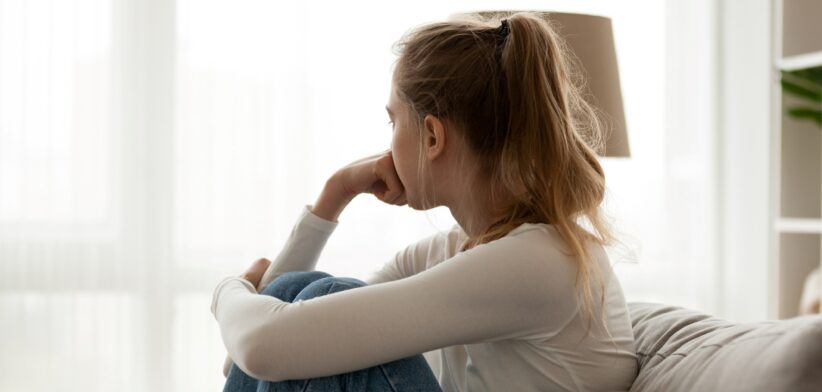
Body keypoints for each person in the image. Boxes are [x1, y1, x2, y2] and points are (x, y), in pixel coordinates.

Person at [211, 11, 638, 392]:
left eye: (393, 121)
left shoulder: (538, 261)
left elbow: (261, 346)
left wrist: (229, 291)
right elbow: (262, 347)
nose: (388, 141)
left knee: (327, 293)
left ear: (433, 137)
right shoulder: (460, 248)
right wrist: (335, 192)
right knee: (304, 292)